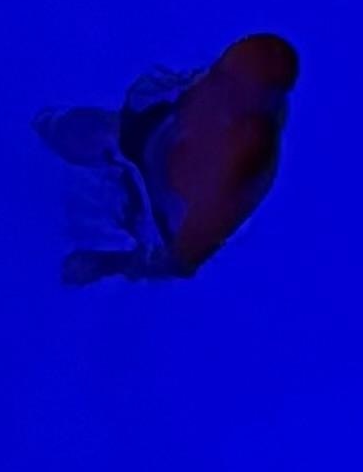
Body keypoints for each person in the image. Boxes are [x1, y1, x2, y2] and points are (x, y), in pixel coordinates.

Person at [35, 33, 299, 289]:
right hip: (151, 146)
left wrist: (107, 264)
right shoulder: (212, 86)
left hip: (158, 212)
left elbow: (182, 262)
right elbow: (153, 98)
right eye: (220, 75)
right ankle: (40, 129)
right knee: (75, 131)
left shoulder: (245, 169)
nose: (215, 85)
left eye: (230, 87)